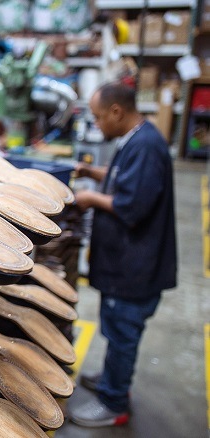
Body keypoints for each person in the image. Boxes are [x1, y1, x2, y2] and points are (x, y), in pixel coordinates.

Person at [69, 81, 177, 427]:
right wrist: (91, 172)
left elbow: (133, 204)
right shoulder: (136, 139)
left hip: (135, 268)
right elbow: (123, 177)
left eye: (99, 117)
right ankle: (112, 380)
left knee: (122, 335)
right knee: (116, 330)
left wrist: (88, 198)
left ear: (116, 112)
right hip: (127, 264)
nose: (97, 124)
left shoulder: (146, 146)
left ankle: (114, 402)